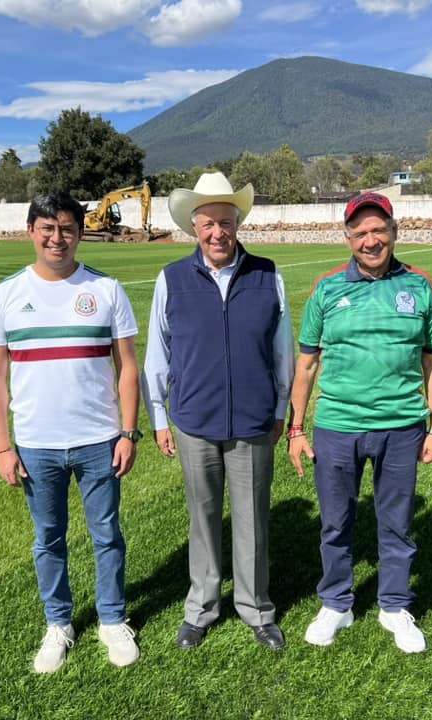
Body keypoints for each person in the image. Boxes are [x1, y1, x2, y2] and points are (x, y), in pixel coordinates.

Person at [0, 192, 143, 673]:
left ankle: (113, 619)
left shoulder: (107, 289)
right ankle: (59, 623)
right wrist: (2, 446)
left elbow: (128, 367)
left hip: (99, 439)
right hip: (35, 445)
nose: (58, 238)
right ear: (31, 231)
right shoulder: (5, 295)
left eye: (67, 228)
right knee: (49, 538)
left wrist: (128, 432)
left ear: (80, 232)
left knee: (106, 533)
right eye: (47, 228)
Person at [287, 191, 432, 653]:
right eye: (360, 233)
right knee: (335, 523)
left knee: (396, 523)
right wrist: (297, 429)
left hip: (402, 427)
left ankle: (394, 605)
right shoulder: (326, 288)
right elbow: (307, 366)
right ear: (347, 238)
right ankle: (336, 603)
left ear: (395, 233)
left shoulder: (420, 286)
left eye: (379, 230)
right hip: (337, 426)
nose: (371, 240)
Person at [142, 172, 295, 650]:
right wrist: (160, 418)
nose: (217, 233)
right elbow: (156, 355)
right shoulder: (170, 279)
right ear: (194, 227)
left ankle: (256, 609)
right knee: (203, 517)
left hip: (253, 421)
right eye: (207, 223)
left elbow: (282, 351)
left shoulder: (267, 274)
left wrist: (281, 409)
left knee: (252, 520)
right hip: (193, 422)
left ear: (237, 224)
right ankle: (202, 608)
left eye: (225, 222)